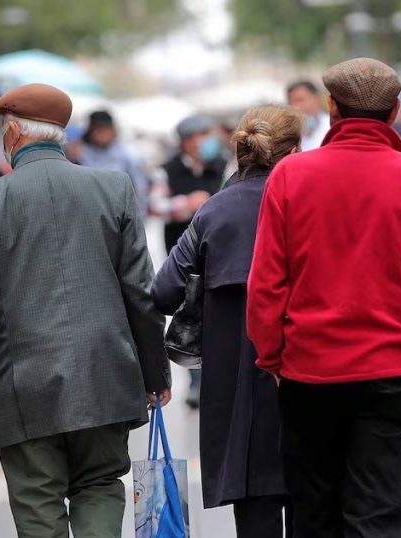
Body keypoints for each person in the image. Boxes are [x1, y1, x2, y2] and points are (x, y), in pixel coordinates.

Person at [247, 58, 401, 536]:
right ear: (395, 112)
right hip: (394, 372)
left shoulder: (290, 177)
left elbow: (266, 285)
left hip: (309, 373)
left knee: (314, 516)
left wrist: (273, 358)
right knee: (382, 516)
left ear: (332, 107)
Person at [0, 84, 171, 537]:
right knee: (99, 484)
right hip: (104, 376)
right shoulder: (113, 187)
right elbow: (140, 291)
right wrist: (156, 374)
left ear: (13, 132)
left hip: (22, 386)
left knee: (37, 500)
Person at [152, 105, 301, 537]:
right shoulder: (308, 204)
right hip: (307, 382)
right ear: (294, 151)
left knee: (256, 515)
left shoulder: (214, 211)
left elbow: (162, 293)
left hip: (238, 392)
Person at [160, 114, 227, 409]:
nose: (209, 141)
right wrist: (186, 204)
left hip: (219, 253)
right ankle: (196, 382)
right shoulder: (167, 171)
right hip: (184, 257)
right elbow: (156, 205)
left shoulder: (223, 166)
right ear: (187, 141)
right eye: (203, 135)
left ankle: (216, 379)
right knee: (191, 317)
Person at [78, 110, 150, 215]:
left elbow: (139, 188)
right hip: (89, 213)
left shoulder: (127, 155)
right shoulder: (80, 154)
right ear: (90, 132)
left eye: (106, 130)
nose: (102, 134)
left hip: (121, 214)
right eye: (98, 130)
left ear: (113, 131)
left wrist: (140, 215)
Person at [286, 81, 331, 151]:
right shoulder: (288, 134)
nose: (295, 107)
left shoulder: (332, 126)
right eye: (290, 102)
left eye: (300, 100)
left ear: (317, 99)